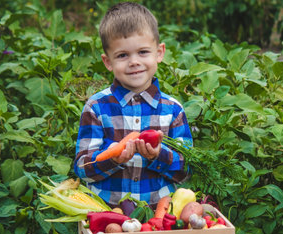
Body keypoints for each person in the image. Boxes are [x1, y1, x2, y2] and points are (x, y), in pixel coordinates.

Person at [73, 2, 193, 207]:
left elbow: (186, 170)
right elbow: (83, 169)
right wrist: (112, 158)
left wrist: (158, 155)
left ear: (159, 53)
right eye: (122, 55)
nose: (134, 62)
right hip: (108, 212)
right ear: (108, 62)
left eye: (143, 52)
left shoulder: (173, 110)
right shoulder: (96, 107)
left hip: (159, 214)